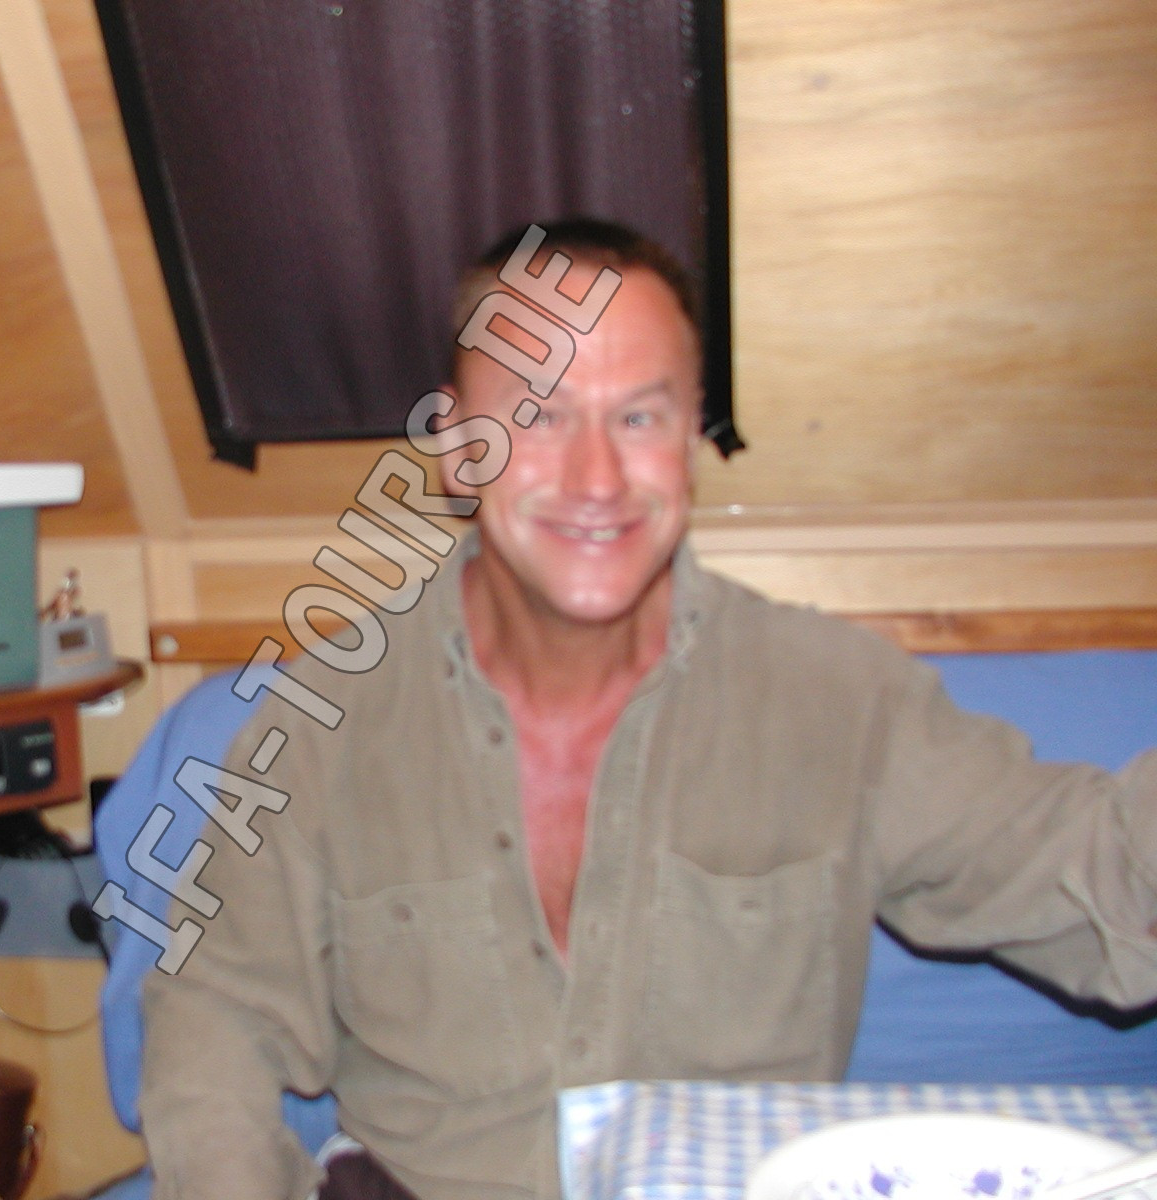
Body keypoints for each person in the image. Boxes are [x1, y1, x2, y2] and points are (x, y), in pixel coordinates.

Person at [138, 218, 1157, 1200]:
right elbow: (215, 1013)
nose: (597, 480)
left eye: (638, 417)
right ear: (454, 445)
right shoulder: (318, 720)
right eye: (539, 415)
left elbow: (1102, 880)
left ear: (691, 437)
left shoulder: (843, 703)